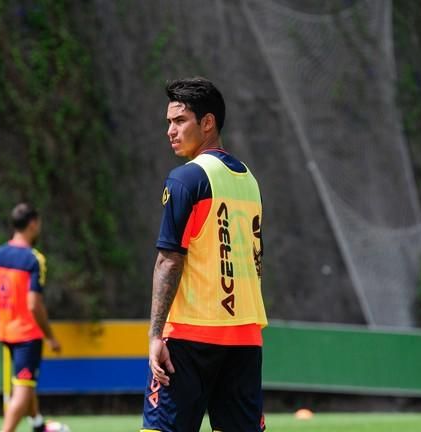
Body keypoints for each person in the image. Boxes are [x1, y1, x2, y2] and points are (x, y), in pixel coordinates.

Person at [142, 77, 268, 432]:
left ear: (207, 122)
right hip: (244, 336)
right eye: (169, 122)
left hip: (190, 337)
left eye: (179, 120)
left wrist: (155, 335)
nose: (171, 130)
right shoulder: (250, 181)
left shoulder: (187, 179)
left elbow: (169, 259)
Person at [0, 203, 61, 432]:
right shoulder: (34, 259)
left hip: (5, 333)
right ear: (32, 224)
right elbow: (34, 304)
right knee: (22, 388)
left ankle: (38, 424)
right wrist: (50, 336)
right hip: (27, 335)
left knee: (26, 381)